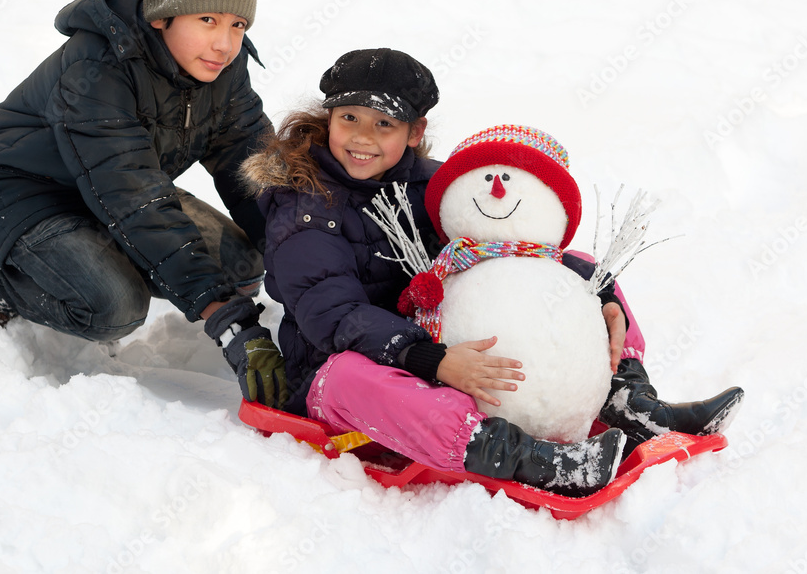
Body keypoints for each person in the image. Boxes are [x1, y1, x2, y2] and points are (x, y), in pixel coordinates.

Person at [241, 48, 631, 496]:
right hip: (343, 372)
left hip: (437, 348)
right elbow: (331, 312)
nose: (362, 137)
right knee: (346, 377)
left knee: (582, 268)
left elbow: (513, 245)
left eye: (384, 123)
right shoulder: (304, 205)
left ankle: (627, 394)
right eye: (349, 117)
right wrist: (434, 360)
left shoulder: (432, 186)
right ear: (329, 118)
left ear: (414, 132)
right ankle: (516, 455)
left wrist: (599, 298)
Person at [0, 0, 287, 408]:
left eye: (238, 24)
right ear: (162, 15)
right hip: (21, 191)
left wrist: (308, 259)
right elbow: (133, 198)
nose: (225, 43)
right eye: (207, 19)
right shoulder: (99, 66)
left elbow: (252, 168)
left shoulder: (221, 70)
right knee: (114, 308)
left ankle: (95, 253)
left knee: (241, 268)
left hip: (120, 185)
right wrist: (228, 320)